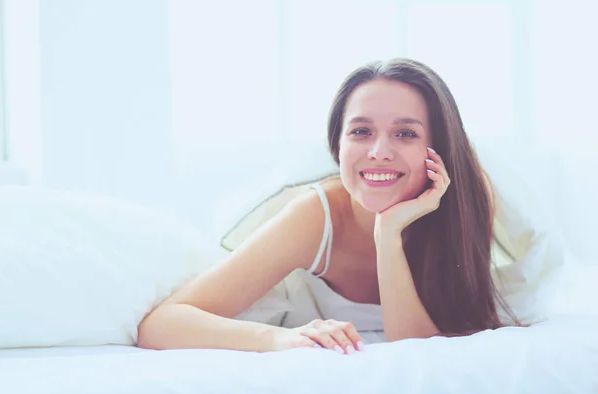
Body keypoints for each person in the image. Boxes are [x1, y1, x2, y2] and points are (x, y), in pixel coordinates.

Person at [137, 57, 518, 355]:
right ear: (338, 147)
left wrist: (388, 235)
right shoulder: (314, 217)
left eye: (405, 133)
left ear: (438, 148)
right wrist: (278, 340)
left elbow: (412, 350)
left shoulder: (466, 205)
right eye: (361, 132)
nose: (379, 152)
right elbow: (161, 324)